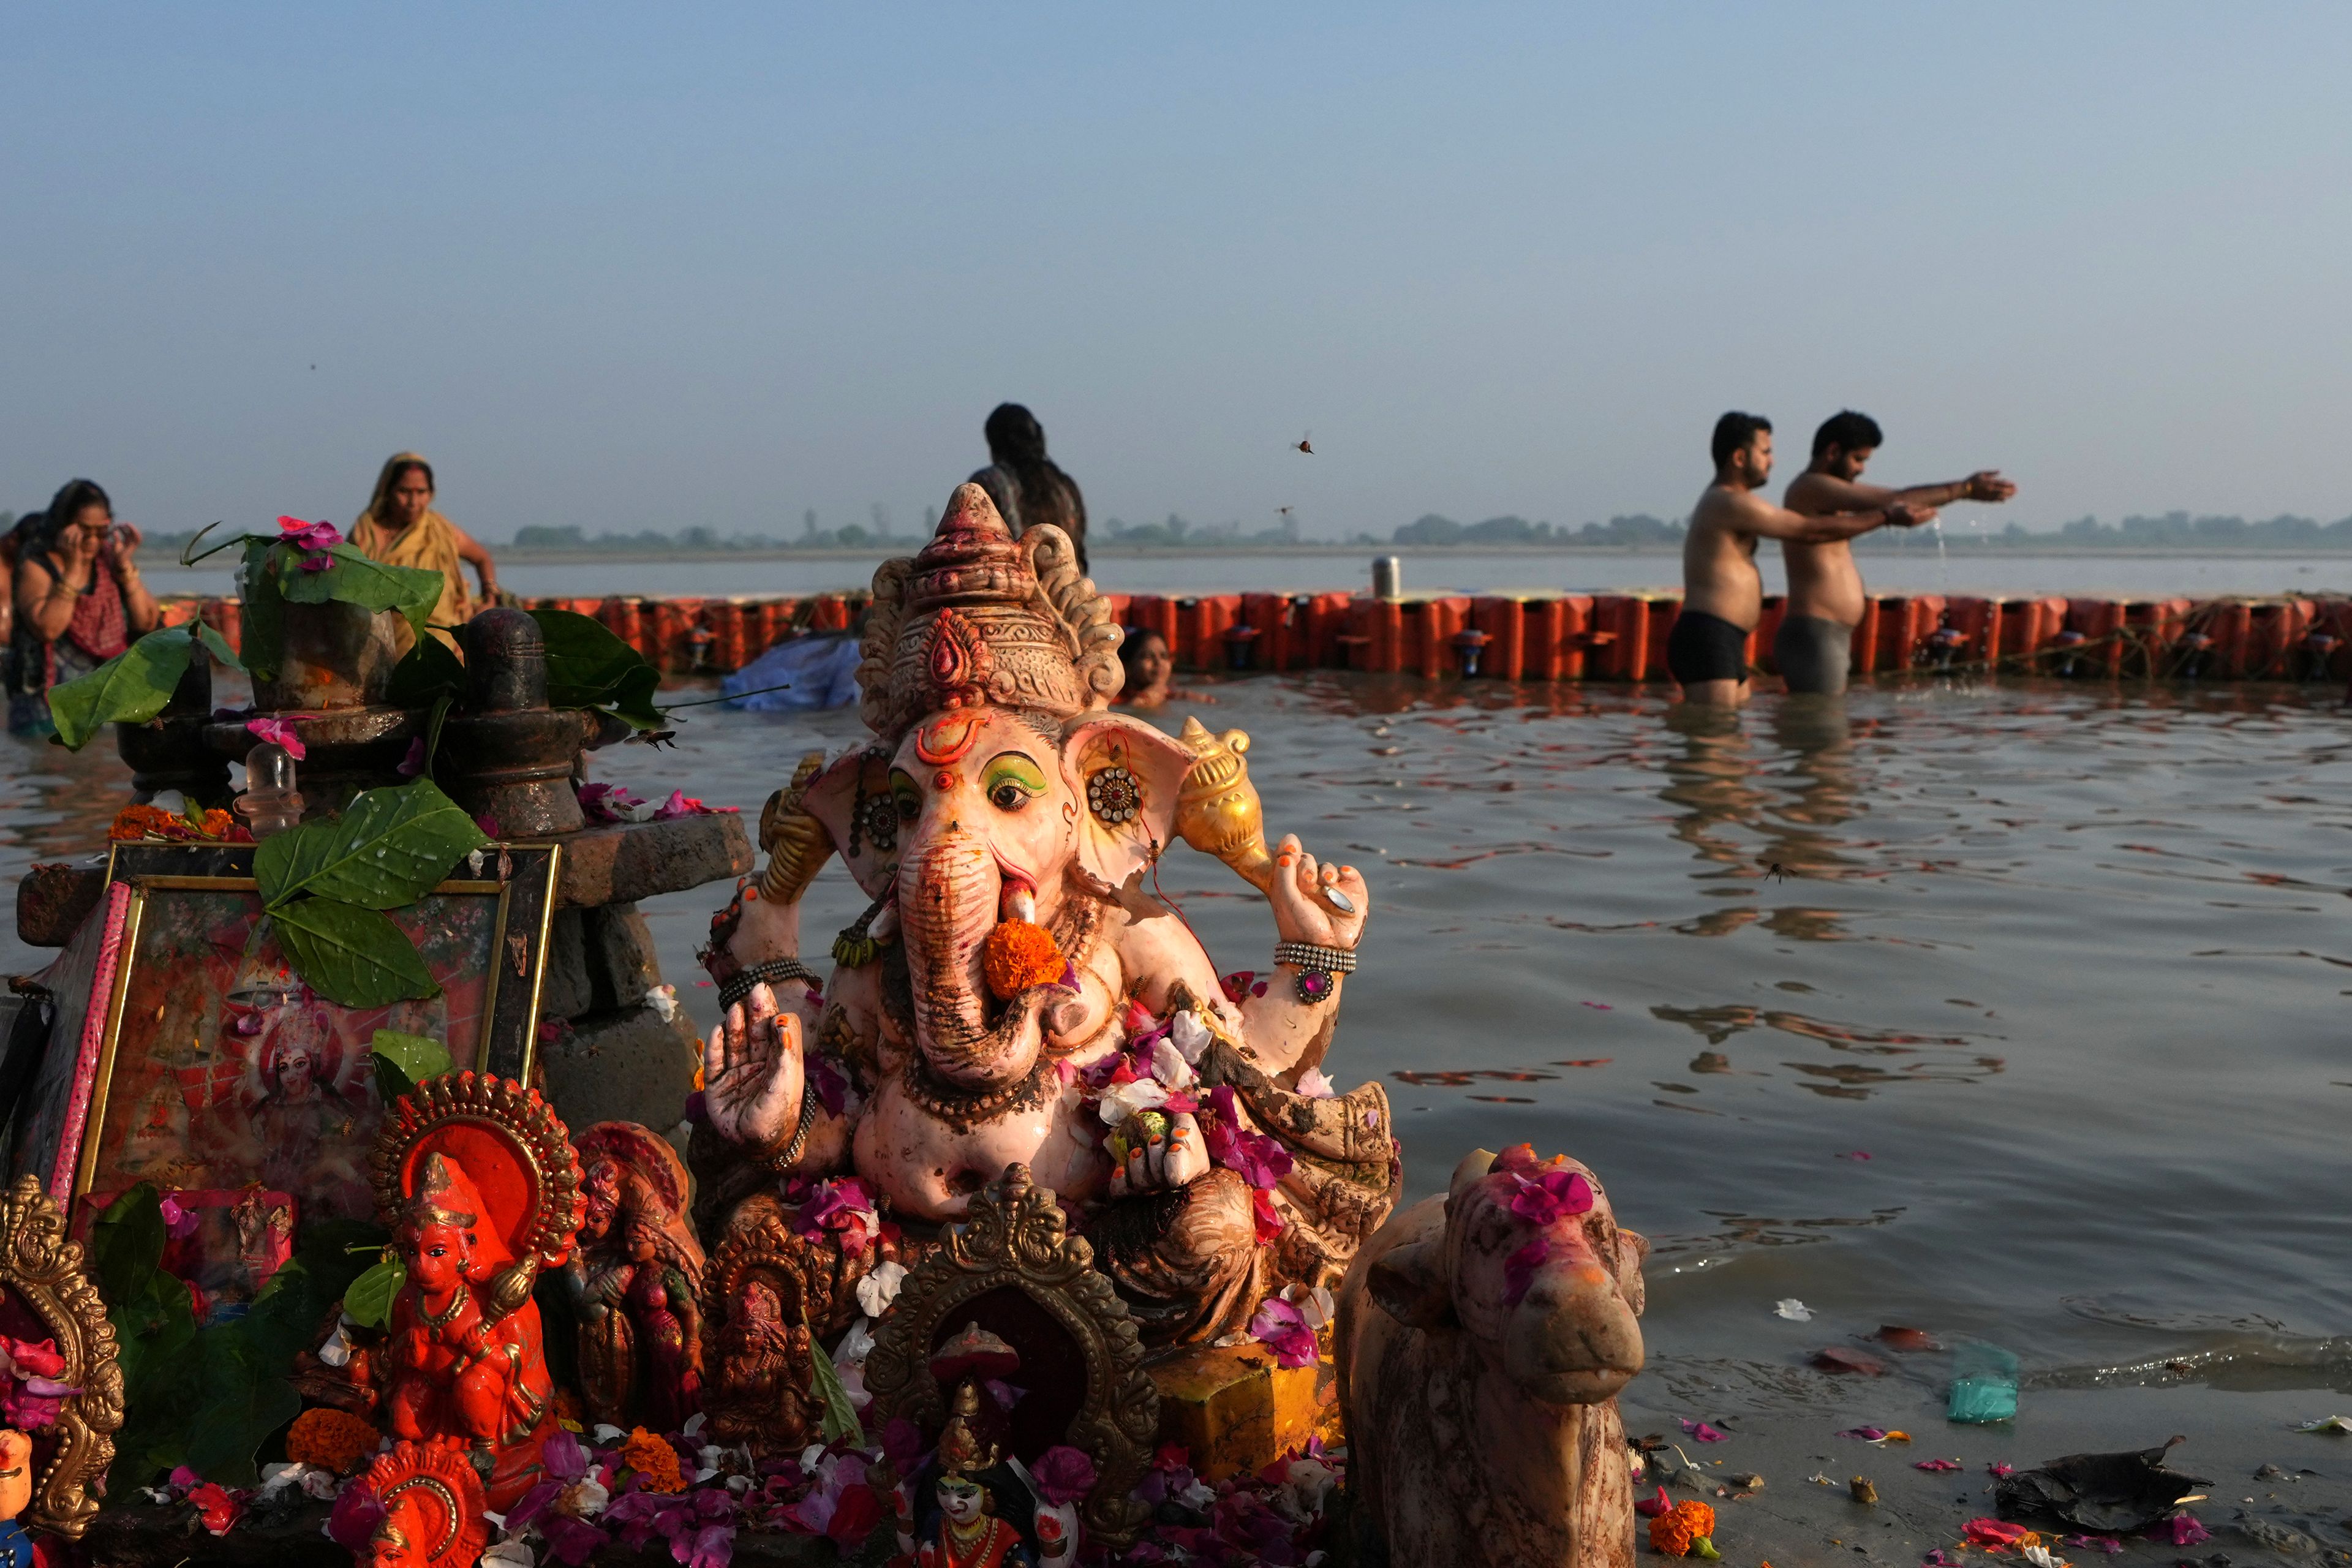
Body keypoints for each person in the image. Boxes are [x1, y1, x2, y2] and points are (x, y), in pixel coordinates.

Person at [1668, 413, 1929, 709]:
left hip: (1724, 636)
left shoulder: (1729, 501)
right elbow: (1809, 530)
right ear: (1740, 457)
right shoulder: (1728, 502)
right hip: (1708, 634)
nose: (1772, 461)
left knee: (1727, 743)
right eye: (1765, 452)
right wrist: (1885, 517)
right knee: (1713, 737)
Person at [1778, 410, 2017, 695]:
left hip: (1826, 633)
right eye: (1858, 459)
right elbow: (1895, 500)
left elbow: (1894, 504)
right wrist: (1963, 489)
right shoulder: (1810, 486)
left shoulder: (1826, 494)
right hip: (1815, 632)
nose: (1862, 470)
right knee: (1822, 728)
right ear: (1833, 451)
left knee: (1827, 727)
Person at [7, 479, 161, 734]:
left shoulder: (108, 563)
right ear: (63, 526)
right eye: (83, 531)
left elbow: (146, 623)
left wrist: (125, 569)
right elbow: (48, 629)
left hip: (97, 704)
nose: (91, 541)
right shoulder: (37, 567)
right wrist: (73, 569)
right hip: (44, 708)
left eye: (100, 532)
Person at [350, 453, 499, 645]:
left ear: (431, 493)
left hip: (445, 642)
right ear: (387, 491)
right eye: (404, 491)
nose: (413, 502)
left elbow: (482, 558)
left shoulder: (440, 530)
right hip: (384, 643)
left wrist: (490, 596)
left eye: (421, 492)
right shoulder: (366, 534)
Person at [969, 404, 1088, 573]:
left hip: (1011, 593)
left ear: (994, 444)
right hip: (1069, 593)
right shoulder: (1066, 485)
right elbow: (1081, 557)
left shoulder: (987, 482)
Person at [1115, 626, 1214, 709]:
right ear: (1126, 668)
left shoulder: (1179, 697)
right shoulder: (1115, 701)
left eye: (1164, 656)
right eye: (1148, 657)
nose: (1159, 663)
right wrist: (1148, 697)